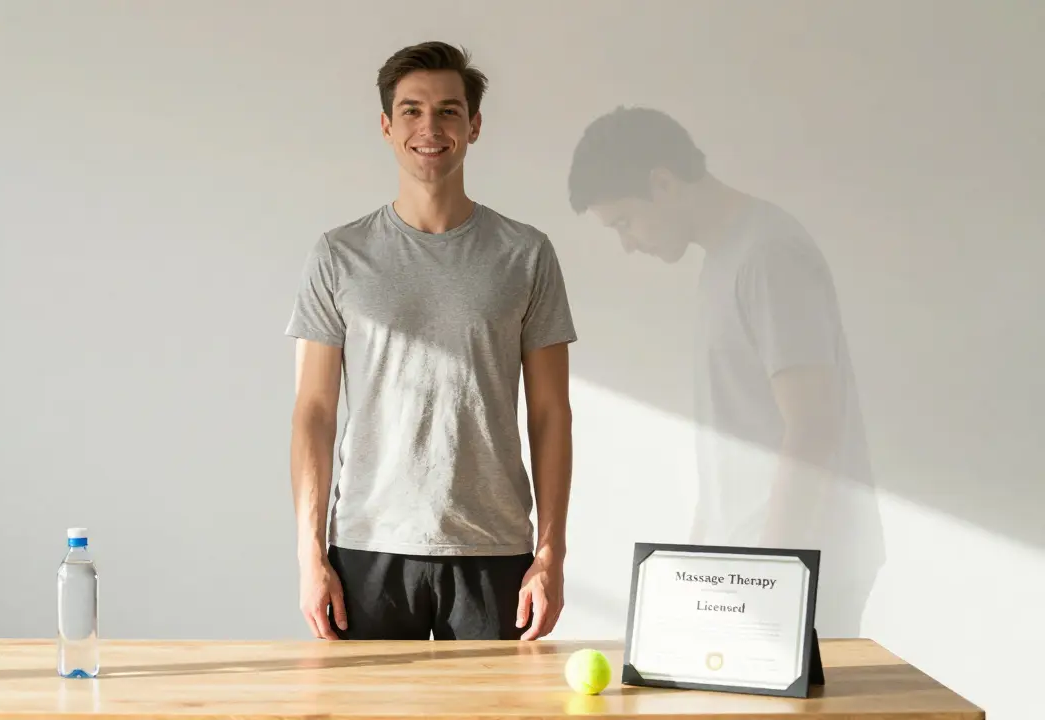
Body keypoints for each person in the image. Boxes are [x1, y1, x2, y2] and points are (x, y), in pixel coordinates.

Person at [285, 41, 577, 642]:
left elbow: (551, 414)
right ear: (387, 126)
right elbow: (313, 413)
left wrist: (551, 554)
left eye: (448, 110)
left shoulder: (525, 254)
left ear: (473, 125)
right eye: (412, 110)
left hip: (495, 550)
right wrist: (309, 554)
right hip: (367, 549)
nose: (430, 127)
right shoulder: (340, 255)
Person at [566, 106, 886, 638]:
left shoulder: (768, 255)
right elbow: (737, 436)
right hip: (755, 565)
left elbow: (813, 426)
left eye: (624, 221)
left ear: (662, 183)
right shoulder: (726, 259)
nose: (627, 242)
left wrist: (772, 572)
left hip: (798, 567)